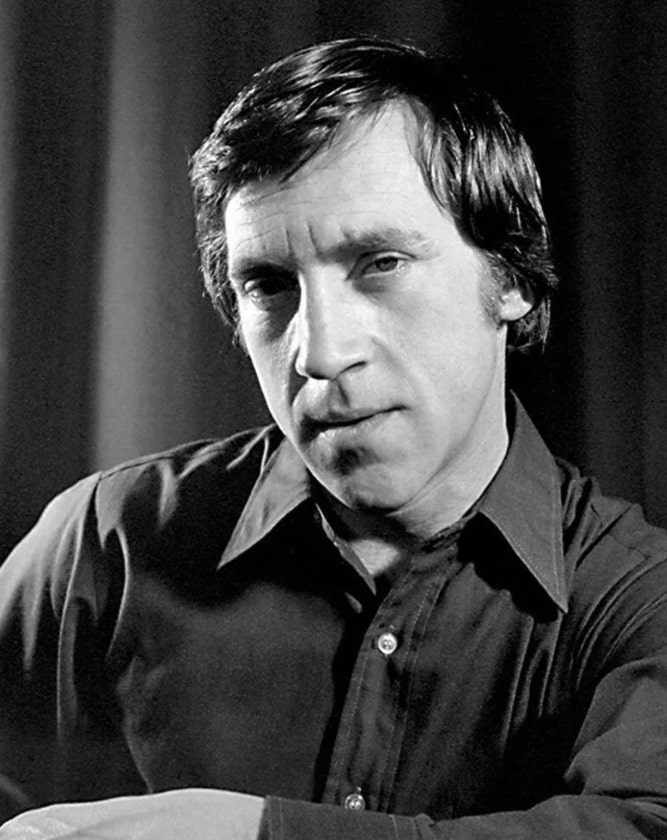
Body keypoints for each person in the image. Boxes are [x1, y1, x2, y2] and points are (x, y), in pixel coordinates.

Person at [1, 36, 666, 840]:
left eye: (379, 263)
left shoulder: (641, 601)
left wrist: (259, 835)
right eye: (268, 285)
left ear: (512, 276)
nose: (318, 353)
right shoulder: (107, 542)